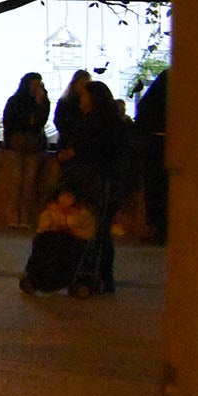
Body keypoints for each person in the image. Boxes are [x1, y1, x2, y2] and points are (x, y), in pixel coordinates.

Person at [61, 80, 133, 296]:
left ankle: (90, 275)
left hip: (100, 181)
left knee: (96, 229)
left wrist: (73, 153)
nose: (80, 101)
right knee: (100, 230)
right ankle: (103, 277)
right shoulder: (108, 121)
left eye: (84, 97)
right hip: (101, 180)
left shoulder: (100, 123)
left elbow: (96, 149)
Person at [2, 72, 52, 216]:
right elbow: (9, 122)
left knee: (29, 183)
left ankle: (24, 214)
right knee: (15, 182)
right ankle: (12, 214)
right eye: (34, 84)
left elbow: (41, 122)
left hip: (34, 145)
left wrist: (39, 104)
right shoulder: (15, 101)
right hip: (16, 144)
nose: (37, 88)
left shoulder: (43, 102)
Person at [135, 68, 169, 246]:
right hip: (161, 143)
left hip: (155, 144)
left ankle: (158, 228)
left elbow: (144, 113)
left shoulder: (158, 92)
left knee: (156, 190)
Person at [52, 69, 95, 151]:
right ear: (75, 84)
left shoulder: (92, 102)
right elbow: (58, 121)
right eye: (81, 84)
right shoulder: (65, 101)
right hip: (68, 142)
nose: (83, 87)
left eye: (86, 85)